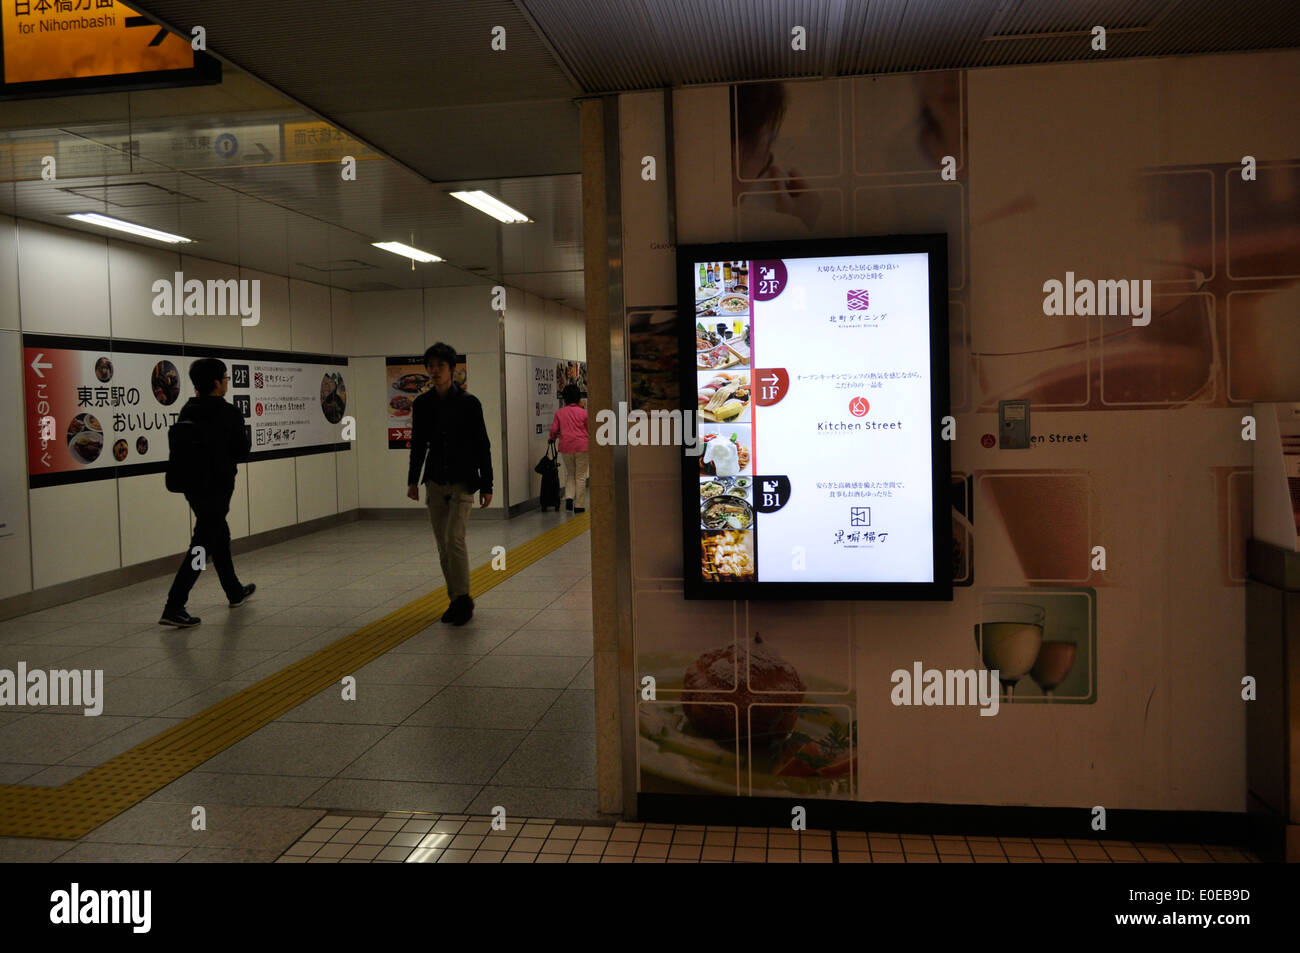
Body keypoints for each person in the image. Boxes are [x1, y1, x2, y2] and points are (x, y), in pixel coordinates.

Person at [159, 358, 254, 627]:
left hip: (193, 488)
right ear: (215, 383)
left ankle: (234, 591)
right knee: (202, 545)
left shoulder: (188, 409)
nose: (227, 382)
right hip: (218, 487)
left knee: (218, 535)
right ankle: (174, 605)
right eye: (225, 378)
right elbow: (241, 451)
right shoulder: (228, 413)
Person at [407, 342, 493, 626]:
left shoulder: (469, 403)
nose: (434, 371)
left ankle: (464, 599)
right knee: (442, 543)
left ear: (452, 369)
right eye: (430, 366)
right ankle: (455, 598)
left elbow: (483, 444)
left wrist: (488, 483)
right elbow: (418, 444)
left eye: (440, 366)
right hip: (434, 480)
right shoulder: (422, 404)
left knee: (454, 538)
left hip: (463, 481)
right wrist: (412, 480)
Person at [549, 384, 589, 514]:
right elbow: (590, 429)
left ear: (564, 398)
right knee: (581, 476)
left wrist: (552, 438)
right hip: (582, 446)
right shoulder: (584, 413)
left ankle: (569, 497)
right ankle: (579, 505)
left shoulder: (559, 413)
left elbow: (554, 430)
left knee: (570, 473)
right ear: (578, 397)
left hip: (566, 446)